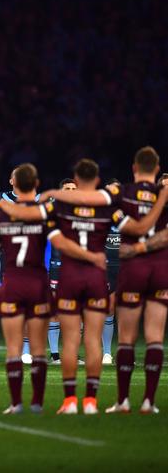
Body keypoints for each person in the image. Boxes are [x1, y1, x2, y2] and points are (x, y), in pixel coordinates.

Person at [12, 155, 165, 414]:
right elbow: (138, 228)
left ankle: (71, 401)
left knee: (71, 339)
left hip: (69, 275)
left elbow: (27, 215)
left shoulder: (58, 206)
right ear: (97, 180)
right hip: (98, 275)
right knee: (96, 339)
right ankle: (95, 401)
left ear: (134, 167)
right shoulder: (109, 208)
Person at [0, 163, 105, 414]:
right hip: (39, 283)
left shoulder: (3, 215)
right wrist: (91, 256)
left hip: (13, 282)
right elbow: (60, 243)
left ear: (15, 185)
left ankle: (17, 403)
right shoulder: (46, 214)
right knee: (41, 348)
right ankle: (39, 403)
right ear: (37, 184)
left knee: (14, 347)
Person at [46, 178, 77, 365]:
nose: (71, 191)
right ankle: (55, 354)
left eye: (74, 188)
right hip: (58, 266)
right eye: (67, 189)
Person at [102, 178, 122, 365]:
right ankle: (107, 352)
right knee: (109, 308)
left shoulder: (130, 212)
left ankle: (125, 352)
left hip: (126, 266)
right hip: (107, 266)